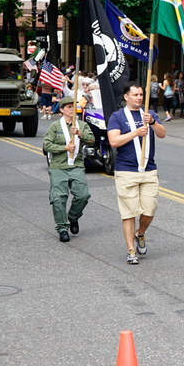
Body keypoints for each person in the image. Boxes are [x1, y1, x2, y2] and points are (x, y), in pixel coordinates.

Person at [107, 82, 167, 265]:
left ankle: (140, 234)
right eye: (135, 95)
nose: (139, 98)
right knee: (129, 212)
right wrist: (135, 133)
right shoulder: (117, 116)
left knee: (149, 209)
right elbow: (114, 141)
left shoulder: (149, 115)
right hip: (126, 171)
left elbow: (162, 134)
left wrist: (154, 122)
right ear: (126, 97)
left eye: (141, 94)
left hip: (148, 170)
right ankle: (130, 250)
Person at [42, 96, 95, 242]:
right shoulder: (55, 126)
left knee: (83, 195)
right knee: (59, 198)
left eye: (74, 106)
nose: (72, 109)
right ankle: (62, 228)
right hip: (58, 166)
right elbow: (46, 146)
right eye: (69, 107)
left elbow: (92, 140)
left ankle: (73, 217)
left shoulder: (81, 125)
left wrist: (79, 133)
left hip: (76, 165)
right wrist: (64, 148)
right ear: (62, 109)